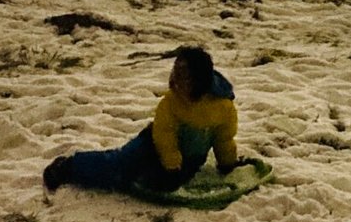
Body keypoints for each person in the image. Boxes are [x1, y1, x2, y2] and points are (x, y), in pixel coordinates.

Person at [43, 46, 239, 196]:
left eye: (182, 77)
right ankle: (69, 167)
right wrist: (172, 165)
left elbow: (224, 138)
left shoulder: (222, 106)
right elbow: (164, 135)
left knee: (157, 183)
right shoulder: (171, 102)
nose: (174, 81)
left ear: (199, 82)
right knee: (120, 166)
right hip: (152, 144)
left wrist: (227, 163)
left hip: (189, 159)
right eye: (174, 73)